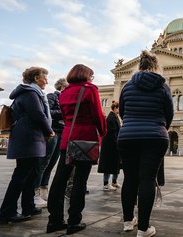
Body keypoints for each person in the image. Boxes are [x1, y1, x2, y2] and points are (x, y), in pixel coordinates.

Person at [117, 50, 174, 237]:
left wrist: (132, 124)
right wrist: (159, 126)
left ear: (139, 66)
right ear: (156, 66)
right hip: (155, 136)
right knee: (147, 179)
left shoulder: (127, 86)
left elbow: (122, 112)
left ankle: (127, 222)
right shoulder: (163, 86)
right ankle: (143, 229)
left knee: (130, 179)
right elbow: (169, 113)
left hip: (128, 136)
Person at [47, 64, 106, 235]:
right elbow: (97, 115)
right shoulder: (89, 90)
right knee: (80, 181)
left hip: (67, 137)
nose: (92, 79)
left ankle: (54, 220)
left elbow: (65, 117)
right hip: (85, 139)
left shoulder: (64, 92)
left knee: (59, 179)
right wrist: (103, 132)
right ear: (86, 76)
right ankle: (74, 221)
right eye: (91, 76)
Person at [0, 67, 54, 225]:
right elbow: (38, 114)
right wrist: (49, 130)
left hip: (31, 138)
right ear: (36, 78)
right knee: (21, 175)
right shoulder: (30, 93)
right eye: (45, 78)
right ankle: (7, 213)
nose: (47, 81)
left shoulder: (30, 92)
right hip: (28, 138)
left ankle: (28, 206)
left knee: (32, 173)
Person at [33, 78, 68, 207]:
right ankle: (35, 193)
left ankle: (43, 190)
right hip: (52, 132)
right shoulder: (53, 96)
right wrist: (64, 113)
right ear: (63, 87)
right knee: (44, 162)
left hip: (61, 132)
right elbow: (47, 112)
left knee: (52, 163)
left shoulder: (64, 98)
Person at [98, 100, 122, 191]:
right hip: (110, 145)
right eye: (119, 108)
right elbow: (113, 132)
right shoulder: (111, 117)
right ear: (115, 108)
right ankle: (106, 183)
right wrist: (118, 141)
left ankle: (114, 181)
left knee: (116, 164)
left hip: (114, 144)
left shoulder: (115, 116)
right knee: (108, 164)